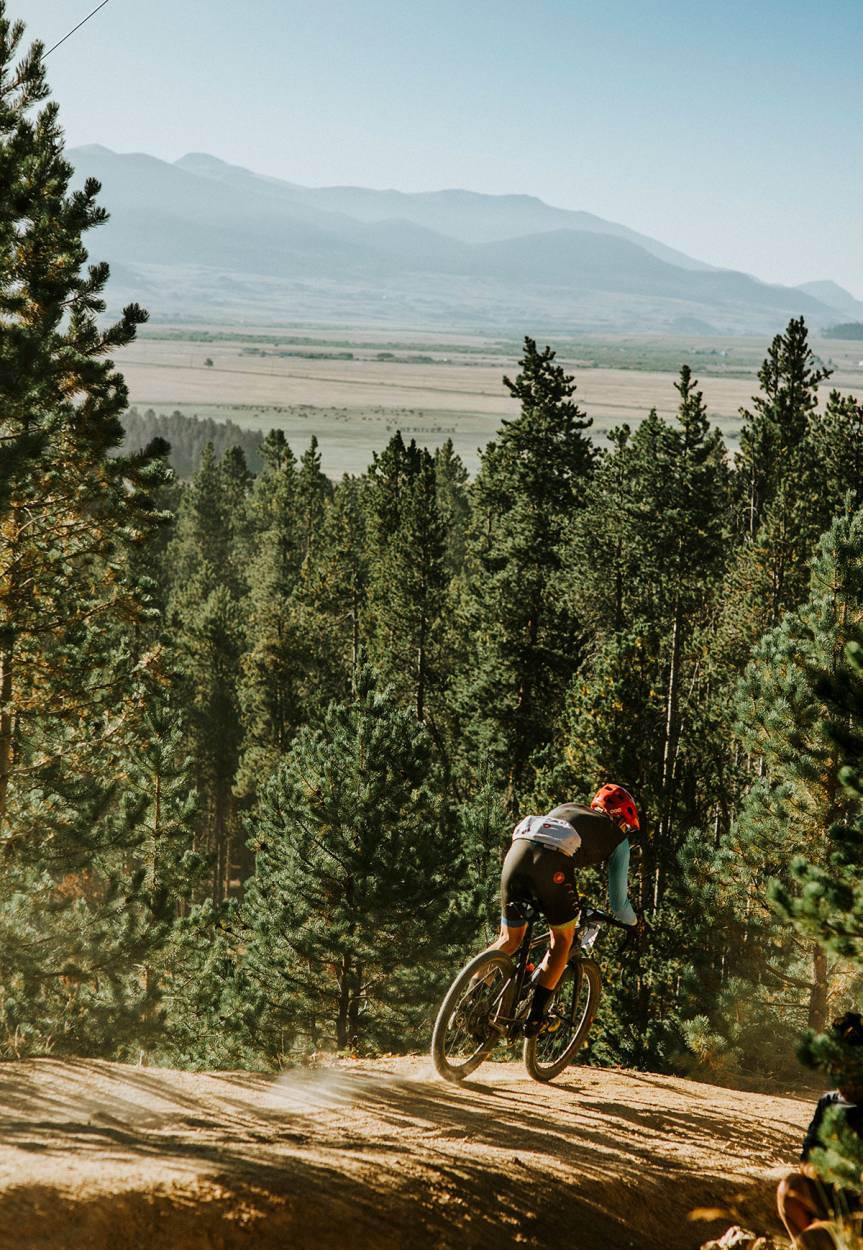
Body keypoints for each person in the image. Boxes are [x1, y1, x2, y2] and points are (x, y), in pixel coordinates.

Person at [489, 783, 639, 1037]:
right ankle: (535, 1018)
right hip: (551, 864)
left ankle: (467, 997)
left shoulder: (566, 808)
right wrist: (635, 924)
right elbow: (619, 904)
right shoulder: (618, 839)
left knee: (509, 939)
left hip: (516, 853)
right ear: (618, 817)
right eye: (625, 824)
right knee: (562, 940)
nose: (624, 830)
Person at [777, 1012, 863, 1249]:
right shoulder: (829, 1103)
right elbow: (806, 1157)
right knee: (789, 1188)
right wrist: (822, 1170)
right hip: (832, 1204)